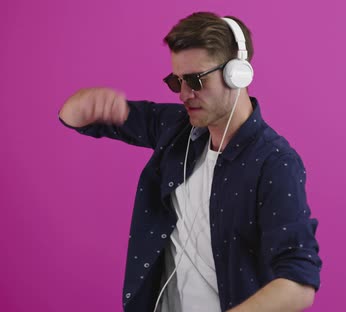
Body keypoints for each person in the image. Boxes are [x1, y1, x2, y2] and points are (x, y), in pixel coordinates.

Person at [58, 12, 321, 312]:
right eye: (176, 81)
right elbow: (74, 118)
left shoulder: (275, 163)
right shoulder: (176, 129)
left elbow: (300, 283)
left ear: (238, 73)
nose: (184, 94)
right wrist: (84, 103)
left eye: (195, 80)